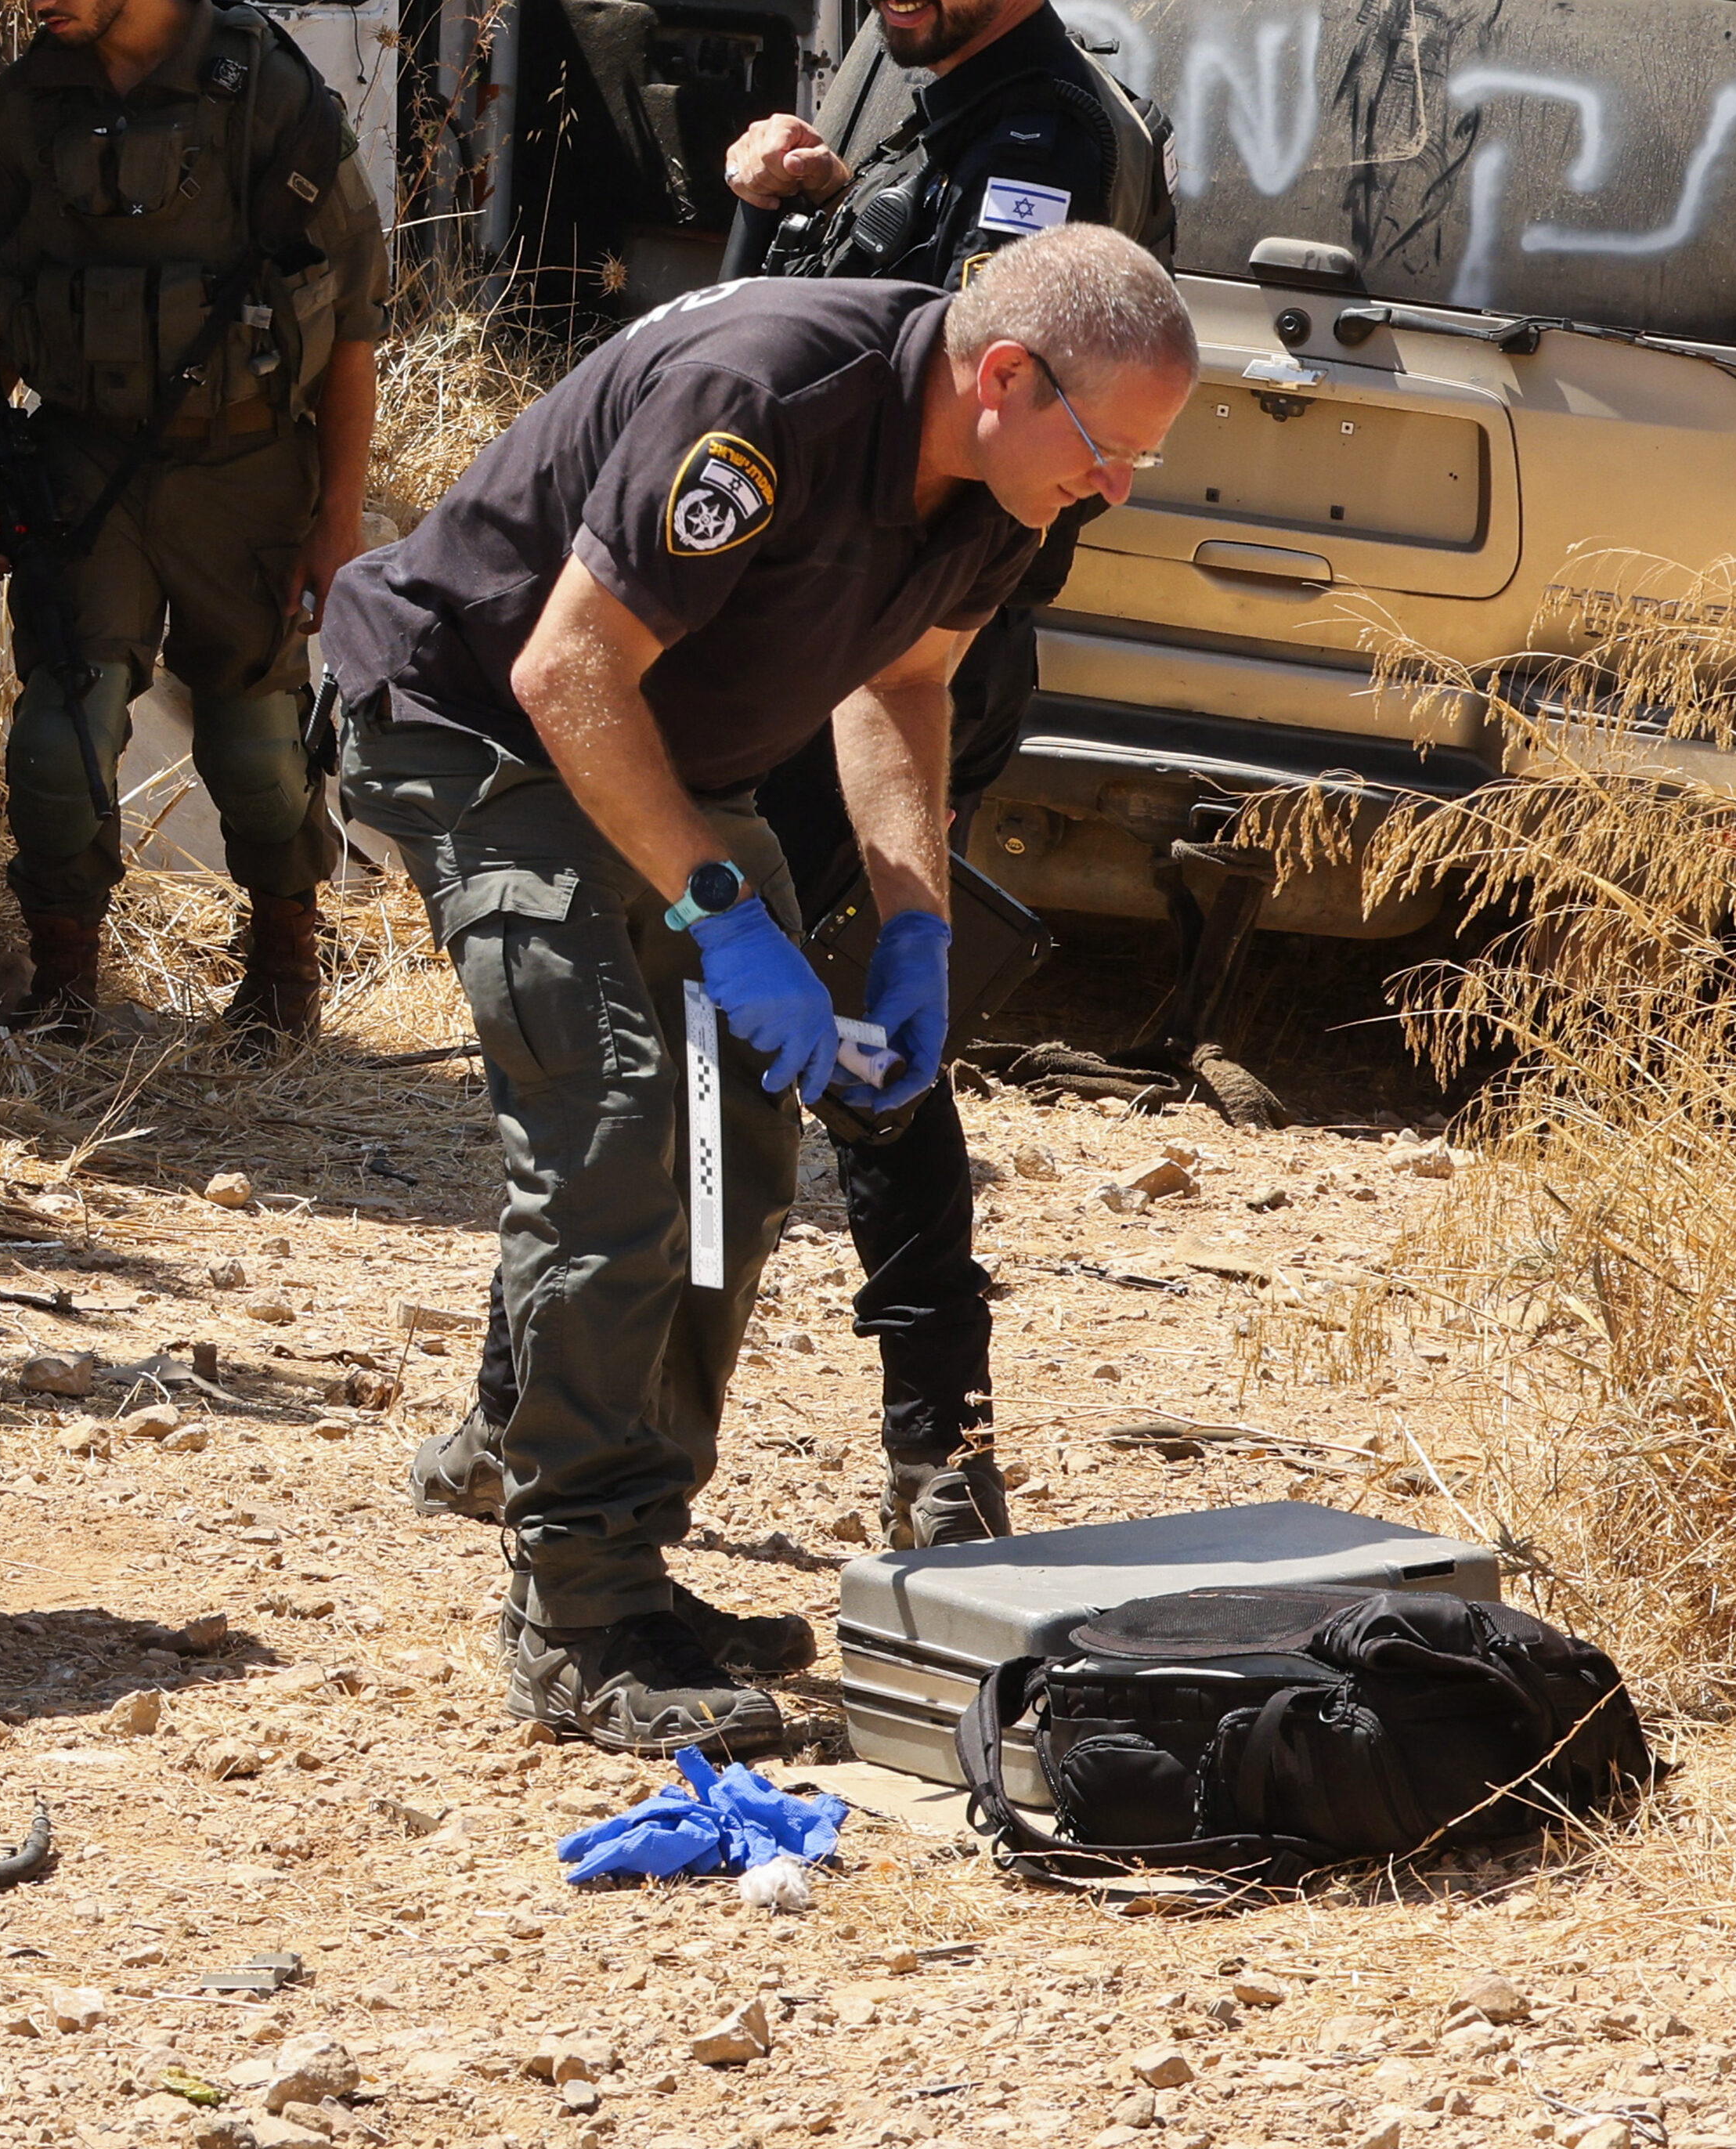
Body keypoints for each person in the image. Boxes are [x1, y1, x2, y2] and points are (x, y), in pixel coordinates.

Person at [321, 226, 1204, 1752]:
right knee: (617, 1116)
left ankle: (629, 1550)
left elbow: (903, 684)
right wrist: (728, 923)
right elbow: (564, 674)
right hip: (472, 724)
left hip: (667, 756)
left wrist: (915, 922)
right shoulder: (767, 402)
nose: (1116, 488)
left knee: (738, 1143)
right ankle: (574, 1613)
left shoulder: (1004, 487)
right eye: (1107, 449)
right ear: (1003, 377)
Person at [410, 0, 1169, 1551]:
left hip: (905, 642)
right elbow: (801, 341)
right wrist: (782, 203)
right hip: (791, 621)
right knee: (659, 1023)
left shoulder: (1041, 126)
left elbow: (959, 377)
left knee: (856, 1043)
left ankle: (936, 1445)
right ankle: (529, 1408)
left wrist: (814, 222)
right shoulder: (903, 86)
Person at [0, 0, 388, 1041]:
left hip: (246, 468)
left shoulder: (264, 92)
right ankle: (65, 982)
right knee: (57, 736)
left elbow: (354, 319)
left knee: (257, 744)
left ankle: (283, 969)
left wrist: (339, 518)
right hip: (85, 467)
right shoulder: (31, 106)